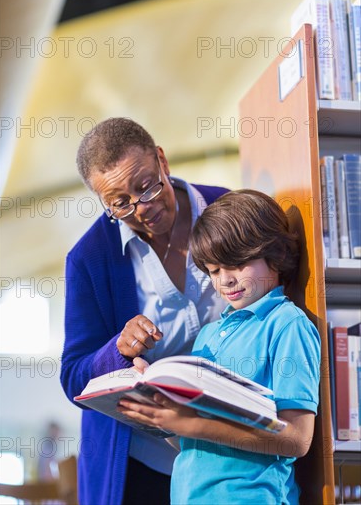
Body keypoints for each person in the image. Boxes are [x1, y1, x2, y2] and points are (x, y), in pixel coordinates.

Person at [60, 117, 229, 505]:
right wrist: (116, 349)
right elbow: (73, 375)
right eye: (120, 203)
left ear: (162, 160)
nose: (143, 207)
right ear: (104, 203)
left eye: (147, 185)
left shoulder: (226, 208)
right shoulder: (89, 259)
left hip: (234, 451)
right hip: (143, 464)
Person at [118, 189, 321, 505]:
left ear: (275, 254)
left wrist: (193, 423)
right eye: (213, 271)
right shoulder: (209, 334)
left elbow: (297, 439)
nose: (225, 280)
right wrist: (160, 413)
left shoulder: (287, 324)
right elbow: (197, 440)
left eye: (237, 265)